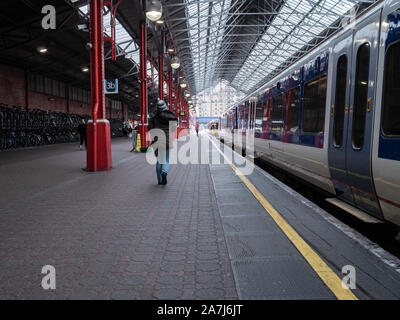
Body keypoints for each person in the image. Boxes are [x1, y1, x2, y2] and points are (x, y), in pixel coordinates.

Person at [149, 100, 177, 186]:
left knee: (159, 161)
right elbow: (173, 129)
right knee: (166, 160)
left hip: (157, 140)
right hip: (167, 140)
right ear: (165, 106)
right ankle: (164, 172)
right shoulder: (170, 115)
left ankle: (160, 181)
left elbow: (150, 129)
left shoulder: (154, 116)